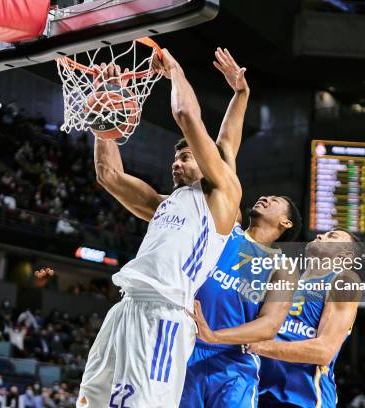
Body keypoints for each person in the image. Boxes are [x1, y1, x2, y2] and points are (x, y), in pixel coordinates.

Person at [77, 48, 242, 408]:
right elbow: (108, 175)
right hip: (124, 309)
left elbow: (188, 116)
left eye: (184, 157)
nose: (175, 163)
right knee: (92, 403)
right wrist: (105, 112)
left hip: (165, 314)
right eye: (174, 158)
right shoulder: (161, 203)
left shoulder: (221, 197)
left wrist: (175, 68)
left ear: (207, 161)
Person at [178, 48, 301, 408]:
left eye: (276, 200)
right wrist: (241, 94)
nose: (265, 198)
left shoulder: (281, 267)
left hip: (231, 364)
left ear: (286, 223)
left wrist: (216, 336)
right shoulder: (226, 226)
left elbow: (269, 325)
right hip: (184, 351)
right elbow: (226, 149)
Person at [250, 228, 364, 408]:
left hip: (304, 399)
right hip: (260, 391)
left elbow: (324, 351)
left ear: (346, 257)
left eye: (332, 237)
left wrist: (258, 346)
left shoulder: (344, 280)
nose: (320, 236)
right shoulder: (287, 281)